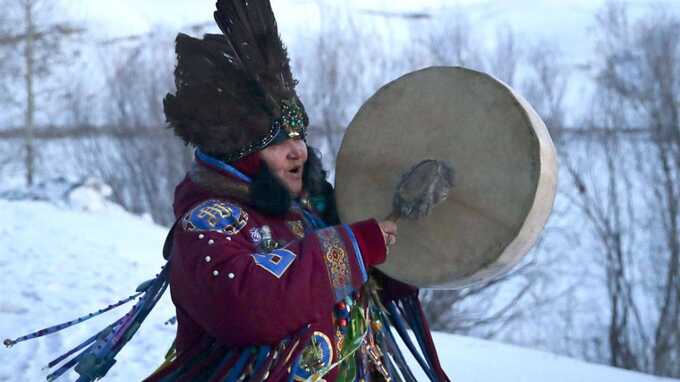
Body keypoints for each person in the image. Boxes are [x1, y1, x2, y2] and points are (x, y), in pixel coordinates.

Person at [142, 1, 451, 381]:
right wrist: (352, 247)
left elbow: (363, 285)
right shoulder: (205, 225)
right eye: (277, 143)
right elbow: (246, 307)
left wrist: (394, 252)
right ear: (241, 155)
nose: (298, 151)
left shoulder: (312, 208)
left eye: (299, 136)